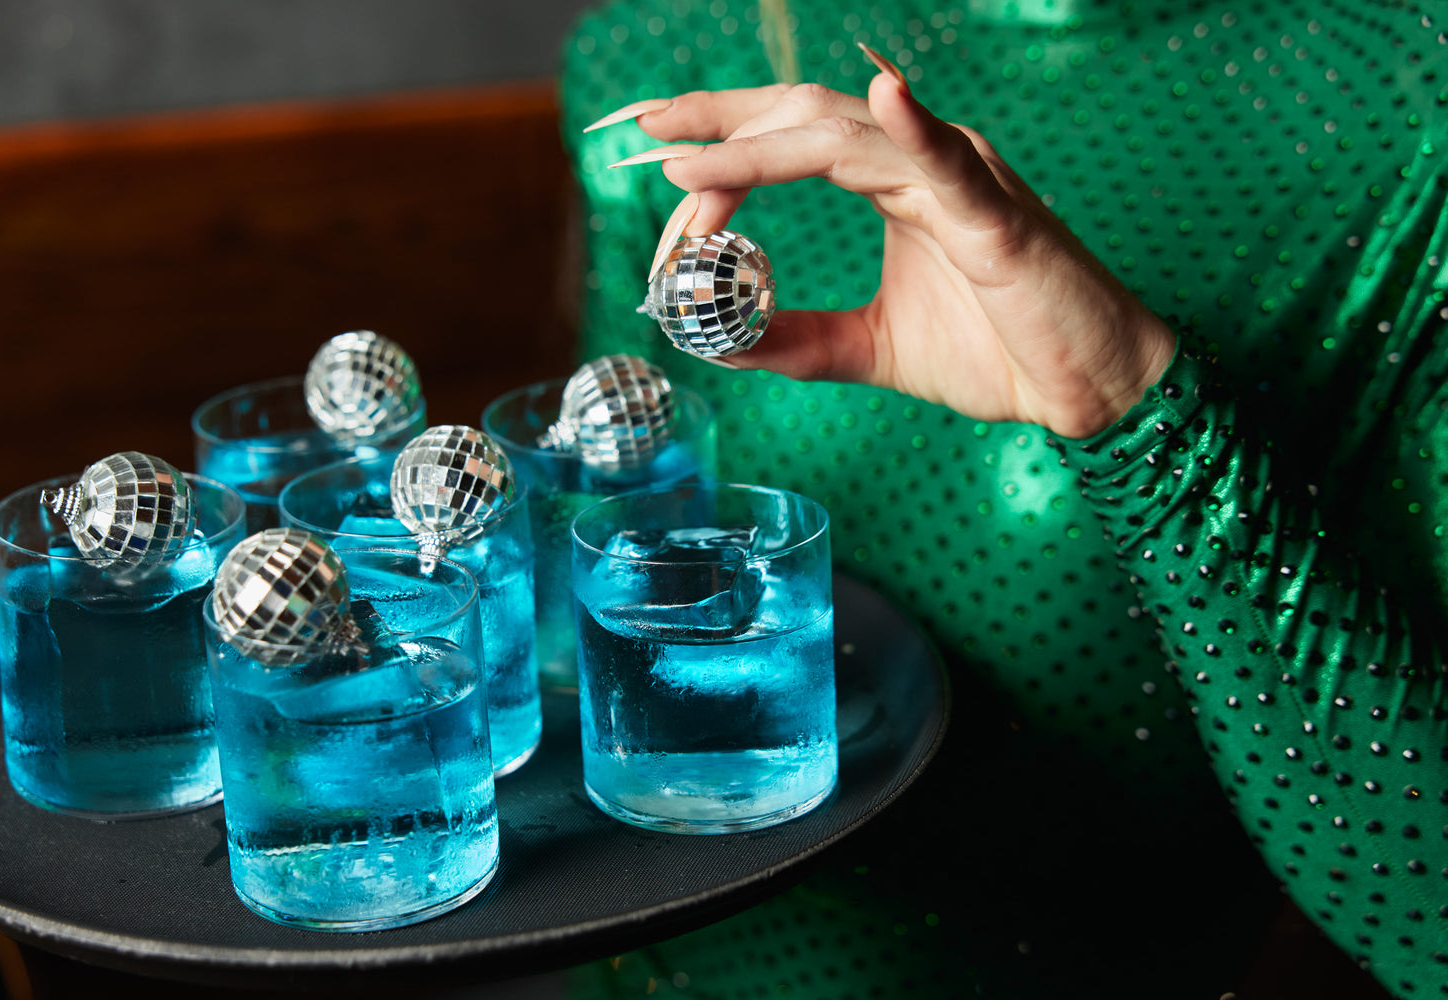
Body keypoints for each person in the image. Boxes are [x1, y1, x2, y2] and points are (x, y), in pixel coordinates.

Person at [558, 1, 1448, 996]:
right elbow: (595, 589)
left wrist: (1132, 408)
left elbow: (1431, 916)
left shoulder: (1410, 93)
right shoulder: (668, 47)